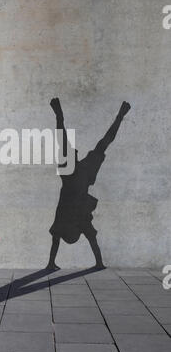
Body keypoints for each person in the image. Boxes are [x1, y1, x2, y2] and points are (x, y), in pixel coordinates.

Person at [46, 98, 131, 270]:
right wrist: (59, 115)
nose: (70, 151)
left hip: (74, 209)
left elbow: (106, 140)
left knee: (81, 234)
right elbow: (63, 139)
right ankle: (55, 263)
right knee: (71, 234)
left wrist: (120, 116)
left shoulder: (82, 168)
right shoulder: (76, 169)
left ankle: (96, 262)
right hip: (72, 209)